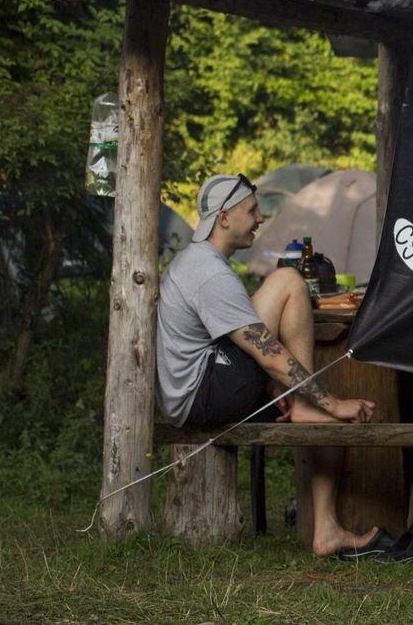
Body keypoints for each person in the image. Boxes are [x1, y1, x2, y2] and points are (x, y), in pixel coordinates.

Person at [156, 174, 390, 558]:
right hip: (203, 398)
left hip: (201, 389)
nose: (261, 219)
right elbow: (267, 352)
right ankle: (305, 406)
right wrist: (329, 402)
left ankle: (327, 528)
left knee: (288, 288)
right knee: (288, 281)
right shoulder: (209, 274)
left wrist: (281, 387)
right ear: (224, 218)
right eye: (252, 211)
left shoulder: (201, 264)